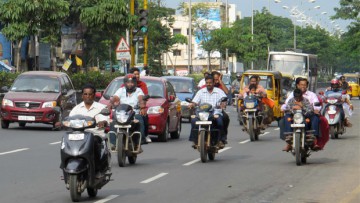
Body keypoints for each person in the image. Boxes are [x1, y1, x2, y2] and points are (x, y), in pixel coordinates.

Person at [68, 84, 110, 175]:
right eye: (85, 94)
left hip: (95, 134)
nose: (88, 96)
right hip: (78, 134)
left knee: (94, 142)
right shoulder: (76, 109)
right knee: (66, 142)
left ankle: (98, 170)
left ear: (94, 95)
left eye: (90, 94)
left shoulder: (101, 108)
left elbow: (106, 119)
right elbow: (69, 119)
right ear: (82, 95)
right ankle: (66, 165)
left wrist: (103, 122)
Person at [189, 75, 228, 148]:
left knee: (220, 122)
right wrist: (192, 104)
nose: (208, 84)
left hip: (215, 113)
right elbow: (195, 102)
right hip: (202, 114)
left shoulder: (219, 91)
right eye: (207, 83)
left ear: (213, 83)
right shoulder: (201, 92)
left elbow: (224, 99)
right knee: (193, 121)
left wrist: (223, 104)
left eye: (210, 82)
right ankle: (195, 140)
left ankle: (221, 140)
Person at [110, 74, 147, 148]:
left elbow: (141, 98)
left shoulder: (138, 90)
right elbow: (115, 98)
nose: (130, 84)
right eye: (128, 82)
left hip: (134, 114)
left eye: (132, 82)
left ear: (135, 83)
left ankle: (138, 142)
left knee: (140, 121)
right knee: (112, 123)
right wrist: (111, 104)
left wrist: (142, 107)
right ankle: (114, 143)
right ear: (125, 83)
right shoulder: (121, 90)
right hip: (121, 114)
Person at [121, 67, 151, 143]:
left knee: (144, 117)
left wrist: (142, 107)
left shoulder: (141, 86)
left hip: (137, 108)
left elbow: (143, 97)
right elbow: (116, 97)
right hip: (124, 110)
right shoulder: (122, 88)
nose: (137, 76)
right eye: (135, 74)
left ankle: (144, 135)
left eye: (138, 74)